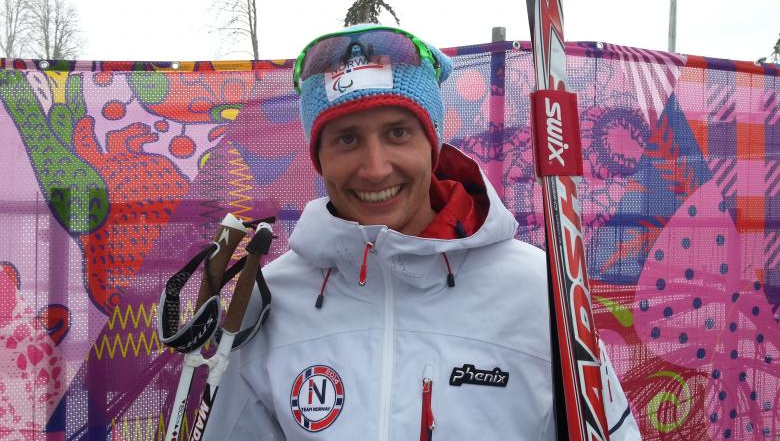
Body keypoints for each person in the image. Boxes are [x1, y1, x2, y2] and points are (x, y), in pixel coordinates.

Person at [205, 24, 640, 440]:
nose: (375, 169)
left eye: (397, 133)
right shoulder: (272, 300)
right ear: (318, 158)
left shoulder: (540, 292)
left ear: (432, 146)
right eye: (347, 140)